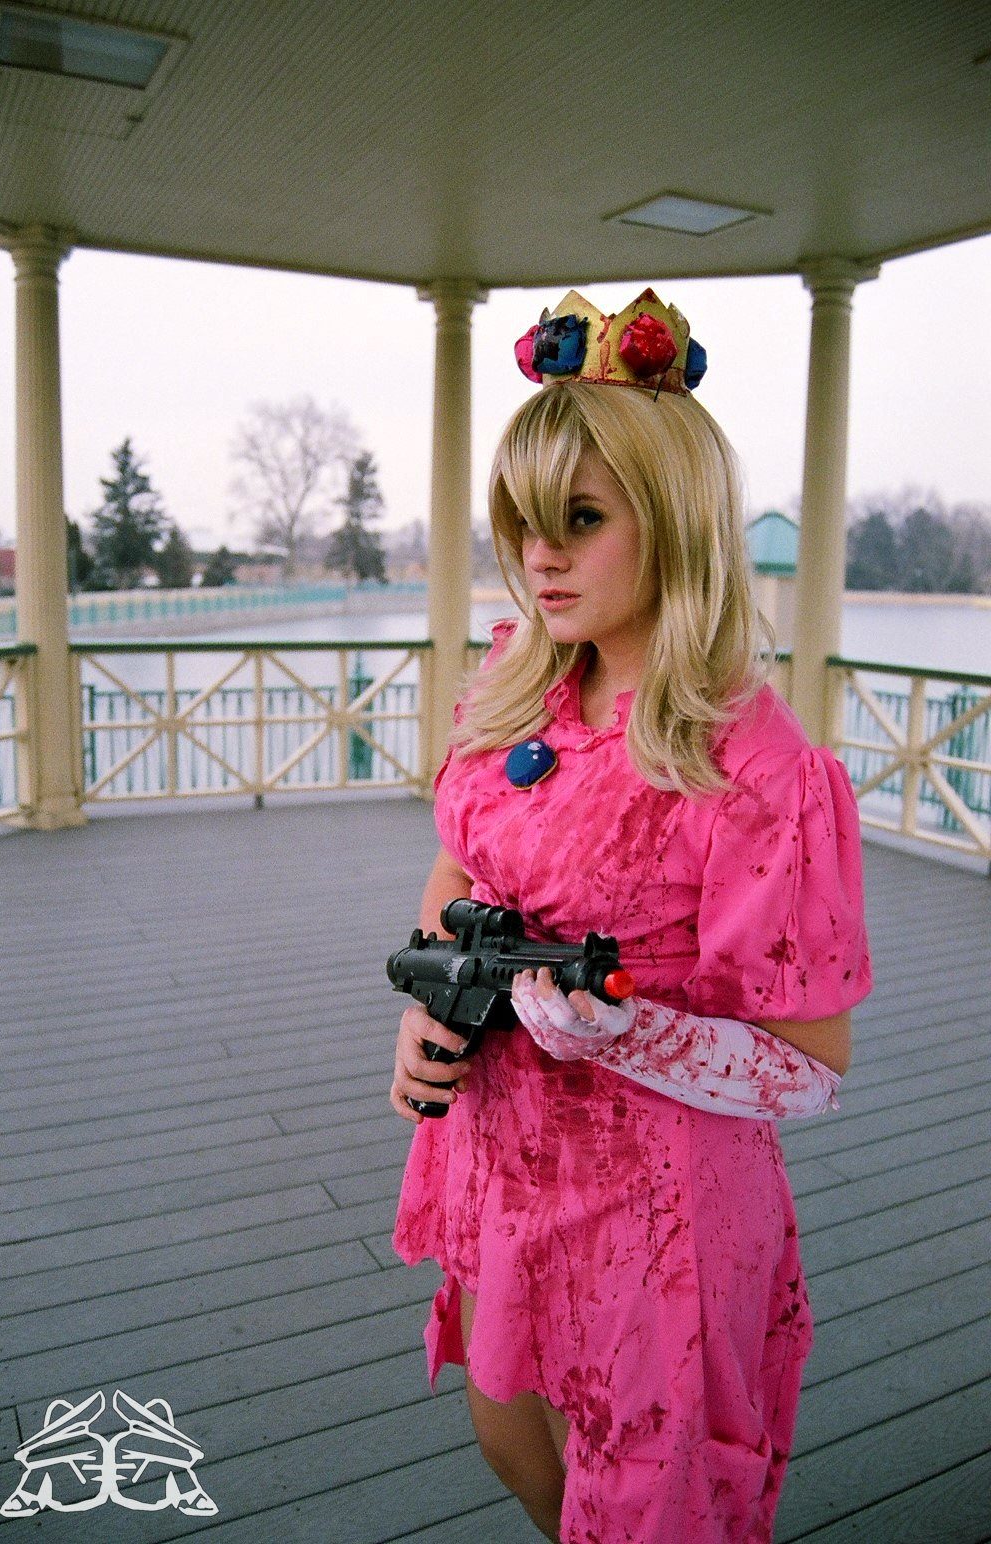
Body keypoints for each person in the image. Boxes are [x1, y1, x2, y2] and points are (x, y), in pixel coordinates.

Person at [390, 286, 872, 1543]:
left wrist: (625, 1030)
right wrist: (432, 1007)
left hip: (655, 1208)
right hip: (504, 1155)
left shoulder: (753, 768)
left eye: (582, 519)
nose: (539, 556)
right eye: (523, 523)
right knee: (506, 1429)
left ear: (674, 520)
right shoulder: (522, 680)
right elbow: (461, 864)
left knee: (650, 1498)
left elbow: (812, 1065)